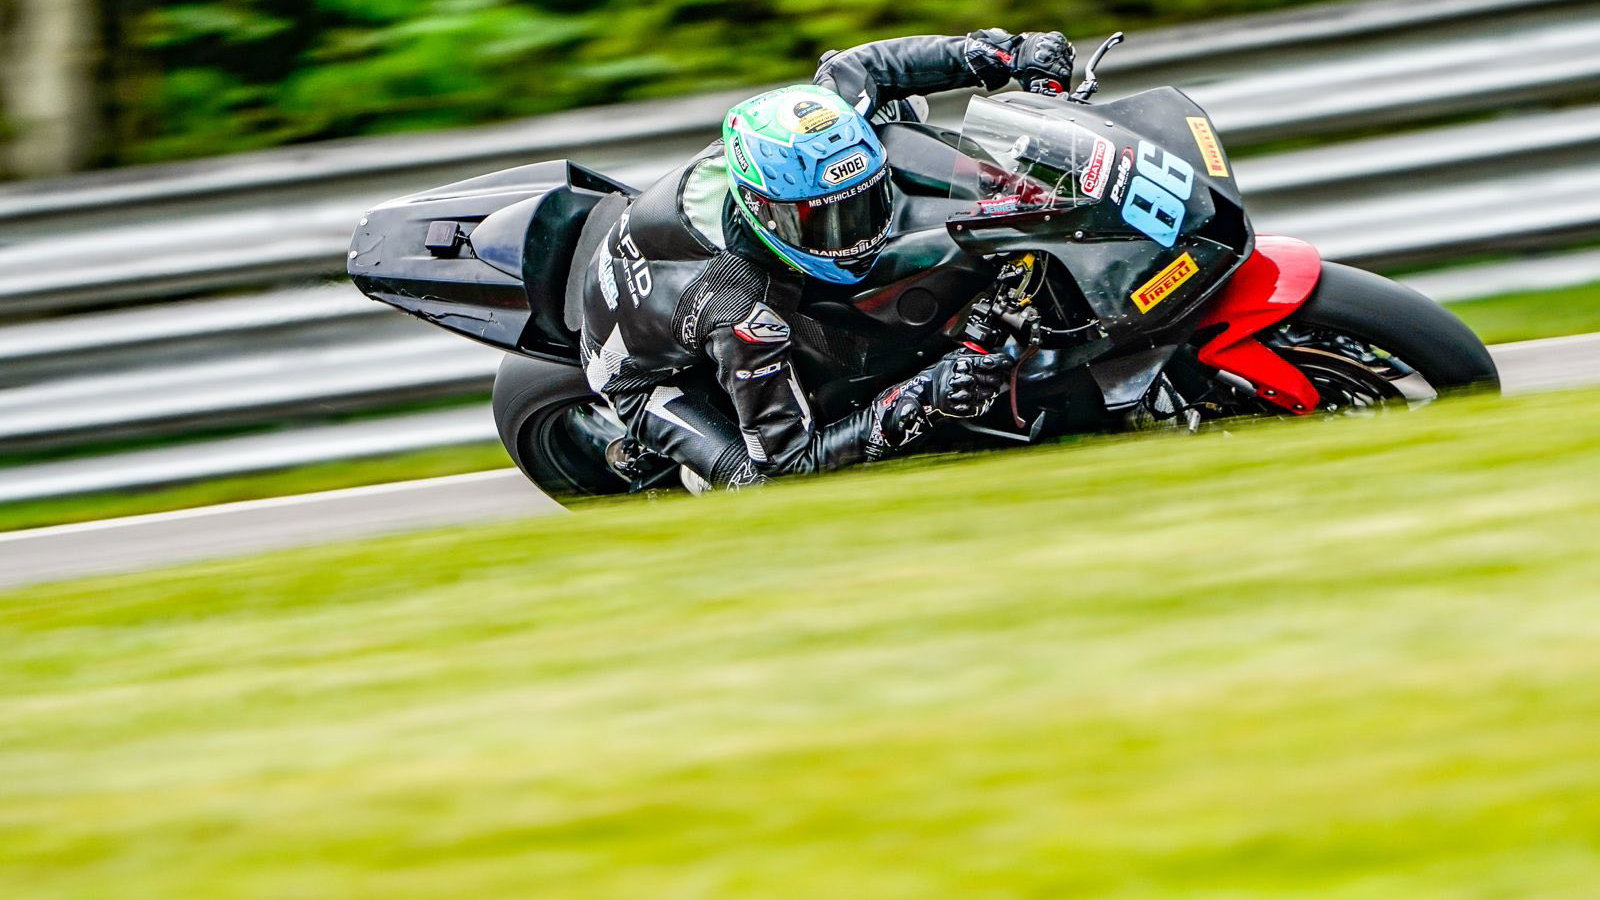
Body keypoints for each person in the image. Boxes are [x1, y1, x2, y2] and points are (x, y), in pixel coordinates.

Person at [577, 30, 1075, 490]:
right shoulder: (737, 308)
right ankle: (692, 474)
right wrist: (923, 396)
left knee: (904, 112)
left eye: (860, 205)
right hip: (641, 373)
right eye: (822, 221)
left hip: (674, 261)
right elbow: (791, 460)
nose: (851, 234)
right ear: (764, 212)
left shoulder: (817, 129)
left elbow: (866, 64)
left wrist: (1008, 52)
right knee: (757, 485)